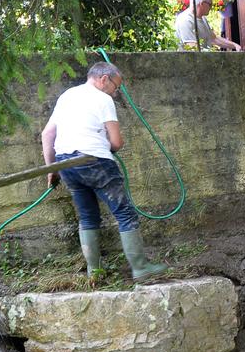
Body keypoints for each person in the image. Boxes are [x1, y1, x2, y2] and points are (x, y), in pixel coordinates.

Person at [40, 61, 169, 281]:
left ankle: (95, 272)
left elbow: (47, 134)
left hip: (65, 164)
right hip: (94, 161)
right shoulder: (103, 99)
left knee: (88, 217)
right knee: (125, 213)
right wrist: (104, 147)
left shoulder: (67, 96)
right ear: (103, 79)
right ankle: (140, 268)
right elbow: (117, 142)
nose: (115, 92)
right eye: (115, 86)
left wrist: (51, 169)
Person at [175, 0, 241, 51]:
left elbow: (214, 39)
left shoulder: (202, 18)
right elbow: (192, 47)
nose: (211, 7)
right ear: (202, 4)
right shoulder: (185, 20)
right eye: (210, 4)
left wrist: (234, 45)